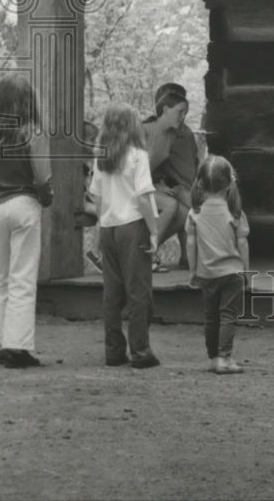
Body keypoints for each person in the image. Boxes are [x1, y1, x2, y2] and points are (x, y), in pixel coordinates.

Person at [0, 74, 52, 369]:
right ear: (28, 100)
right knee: (23, 278)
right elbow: (42, 177)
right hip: (24, 204)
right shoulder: (33, 132)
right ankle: (18, 347)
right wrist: (46, 198)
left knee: (0, 277)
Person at [89, 103, 161, 368]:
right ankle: (140, 351)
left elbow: (95, 197)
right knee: (138, 291)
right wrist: (154, 231)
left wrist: (100, 225)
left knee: (112, 293)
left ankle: (113, 351)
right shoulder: (137, 155)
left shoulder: (102, 157)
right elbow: (143, 197)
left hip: (109, 227)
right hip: (133, 226)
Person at [186, 155, 250, 375]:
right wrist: (246, 271)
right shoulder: (235, 213)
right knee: (227, 316)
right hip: (232, 272)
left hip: (207, 273)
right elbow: (242, 243)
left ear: (201, 183)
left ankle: (213, 357)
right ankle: (225, 357)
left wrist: (193, 270)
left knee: (210, 317)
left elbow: (191, 244)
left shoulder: (194, 213)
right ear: (230, 182)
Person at [142, 83, 198, 272]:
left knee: (185, 211)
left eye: (185, 111)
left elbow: (191, 161)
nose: (182, 116)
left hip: (174, 185)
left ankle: (181, 255)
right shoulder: (146, 130)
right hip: (130, 188)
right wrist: (157, 184)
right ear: (164, 107)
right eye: (180, 111)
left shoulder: (178, 134)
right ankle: (145, 254)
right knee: (175, 205)